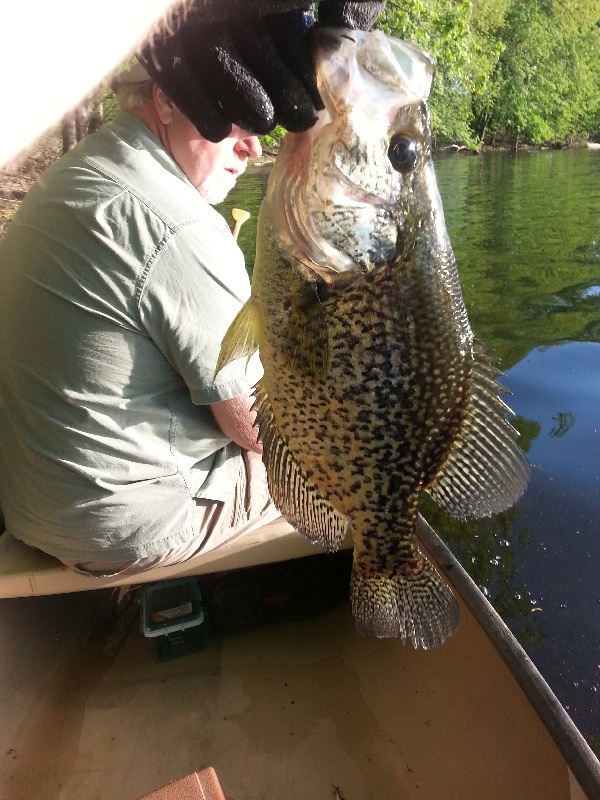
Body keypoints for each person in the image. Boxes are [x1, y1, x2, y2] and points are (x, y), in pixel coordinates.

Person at [0, 0, 385, 578]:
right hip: (117, 526)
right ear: (165, 97)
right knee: (344, 468)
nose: (256, 148)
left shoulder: (81, 170)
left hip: (31, 507)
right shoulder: (178, 225)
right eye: (241, 116)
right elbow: (260, 426)